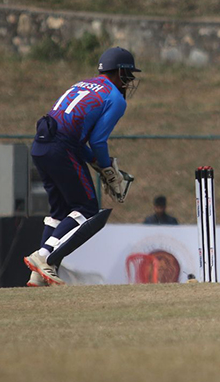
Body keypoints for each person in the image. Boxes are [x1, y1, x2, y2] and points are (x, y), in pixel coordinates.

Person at [26, 47, 140, 286]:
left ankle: (38, 275)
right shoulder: (116, 99)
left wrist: (99, 165)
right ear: (119, 73)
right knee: (87, 208)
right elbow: (97, 141)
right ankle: (44, 257)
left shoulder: (81, 84)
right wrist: (108, 169)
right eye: (127, 76)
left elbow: (76, 138)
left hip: (41, 145)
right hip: (61, 148)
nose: (128, 82)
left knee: (58, 211)